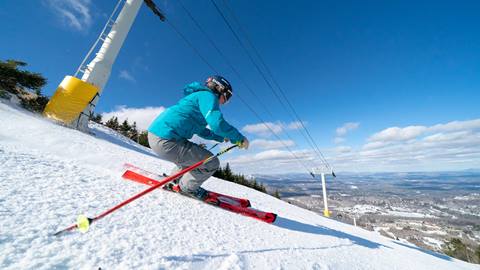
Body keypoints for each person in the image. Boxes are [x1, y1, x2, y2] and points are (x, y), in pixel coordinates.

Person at [147, 75, 249, 199]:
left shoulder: (198, 98)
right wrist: (238, 138)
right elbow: (216, 123)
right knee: (211, 162)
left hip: (158, 136)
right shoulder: (208, 96)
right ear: (219, 89)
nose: (225, 102)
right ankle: (187, 188)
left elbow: (202, 131)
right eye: (227, 97)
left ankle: (174, 179)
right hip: (166, 140)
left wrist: (222, 137)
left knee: (192, 161)